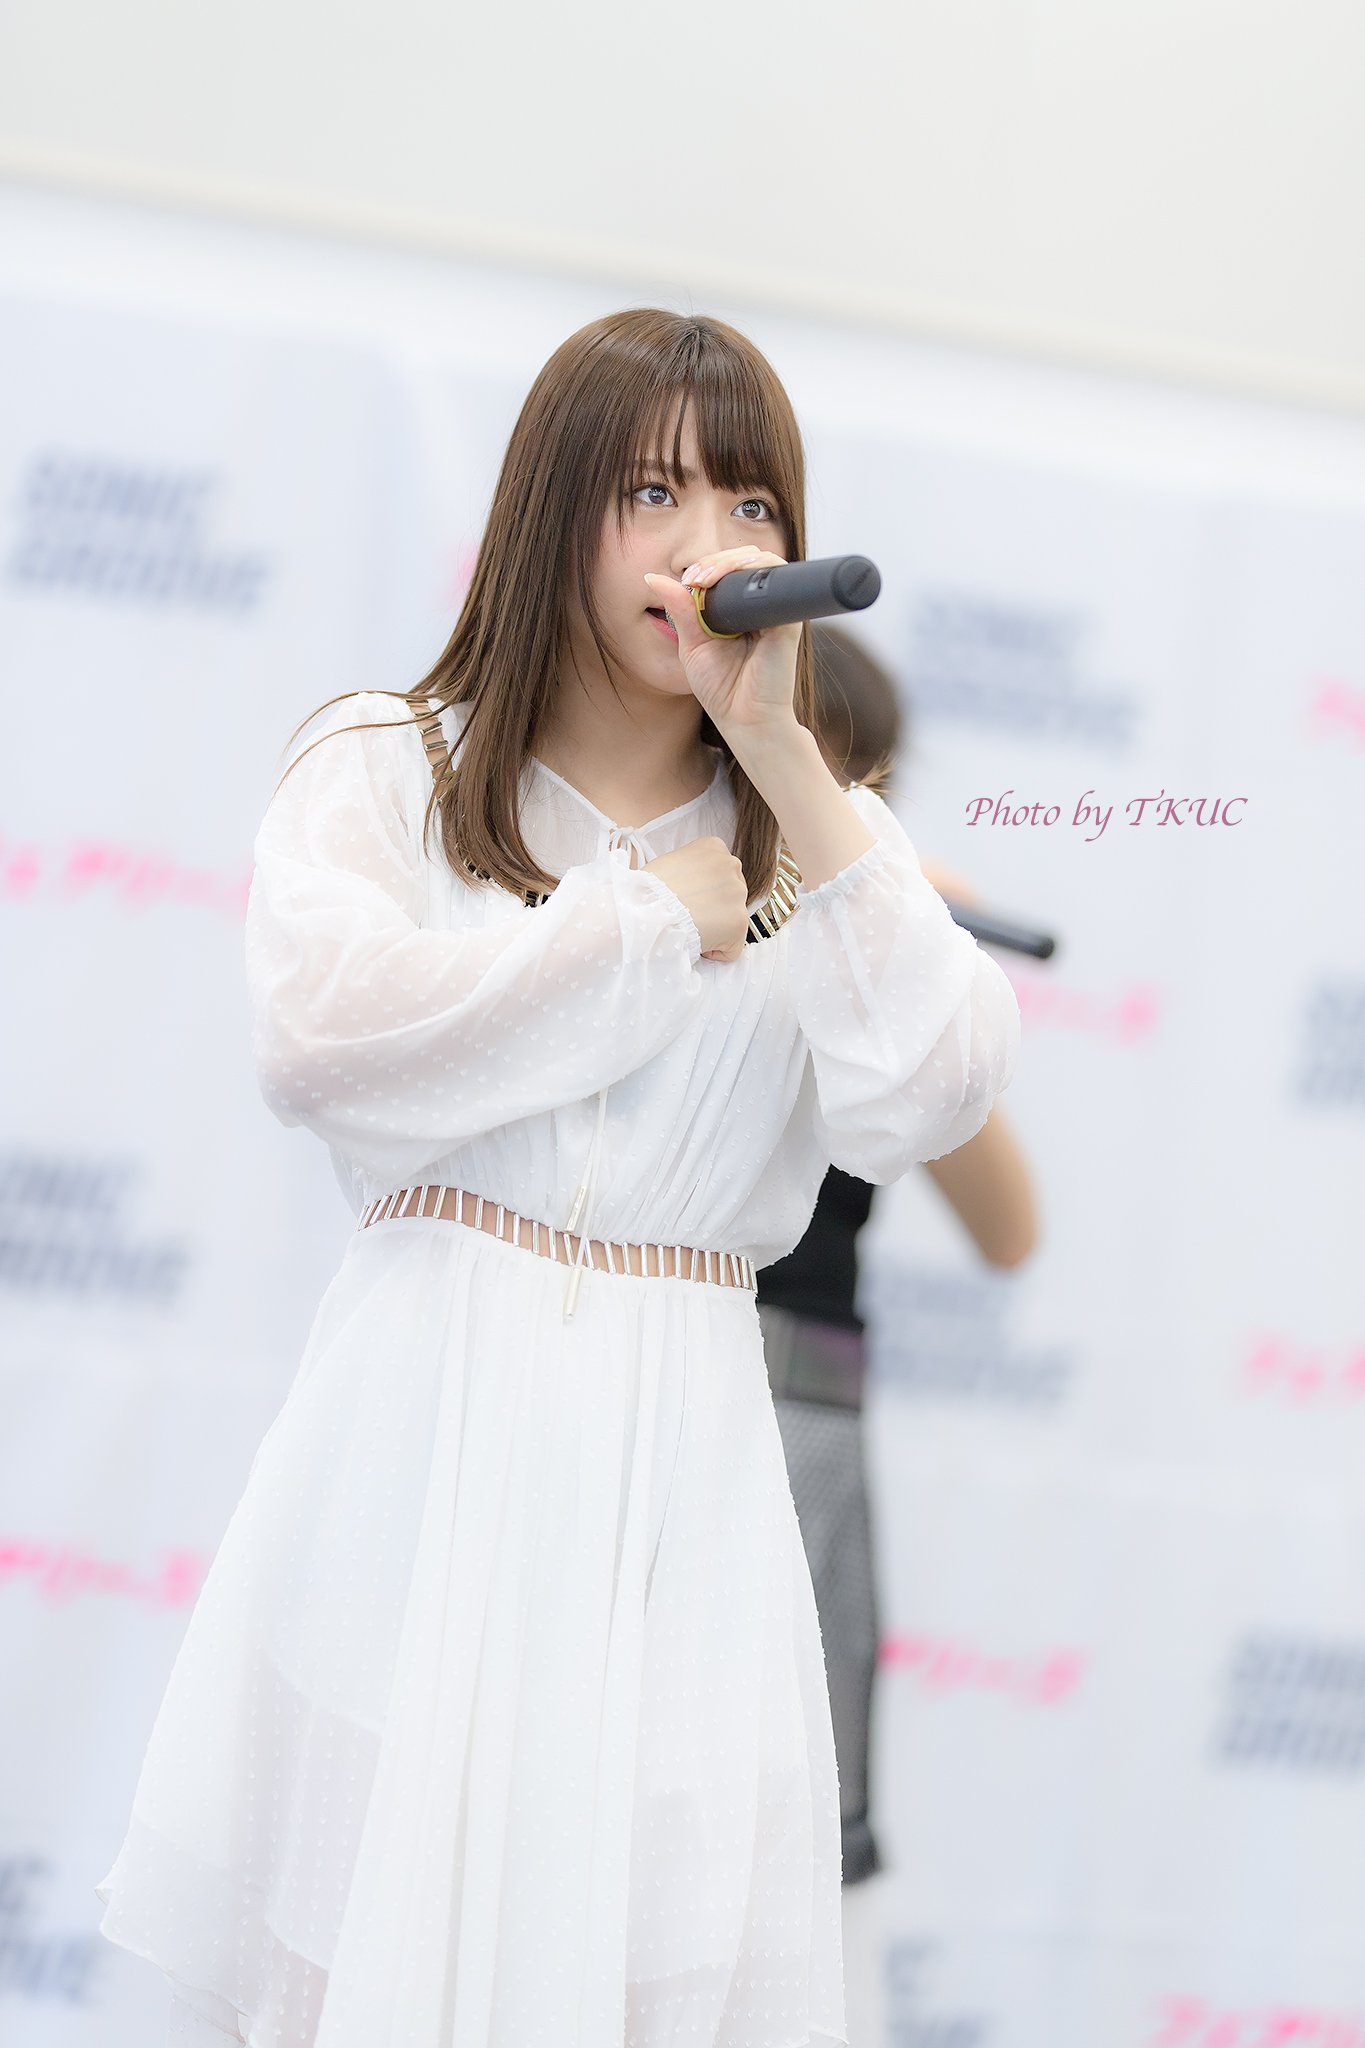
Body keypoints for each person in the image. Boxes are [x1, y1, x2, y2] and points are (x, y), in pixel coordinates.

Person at [93, 308, 1023, 2048]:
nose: (706, 544)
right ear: (553, 511)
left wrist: (787, 765)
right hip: (422, 1441)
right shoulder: (391, 763)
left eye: (748, 501)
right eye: (653, 492)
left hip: (687, 1474)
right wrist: (636, 928)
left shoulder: (814, 838)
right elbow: (325, 1039)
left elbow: (935, 1085)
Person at [755, 624, 1037, 2043]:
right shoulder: (655, 906)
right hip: (635, 1377)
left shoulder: (881, 950)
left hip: (801, 1426)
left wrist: (918, 973)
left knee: (777, 1840)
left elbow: (1009, 1229)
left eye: (867, 789)